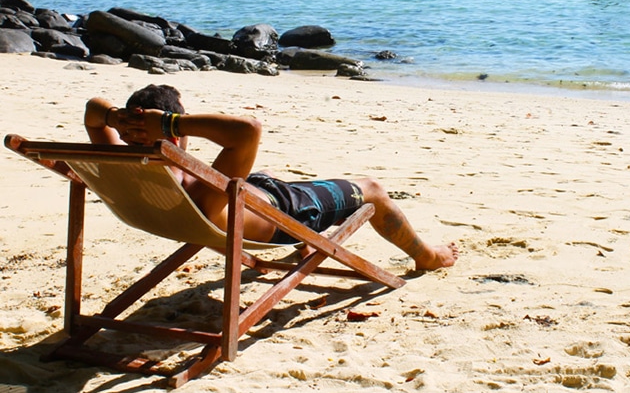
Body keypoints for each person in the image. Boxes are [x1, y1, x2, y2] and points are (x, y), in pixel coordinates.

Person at [84, 84, 458, 271]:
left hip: (255, 196)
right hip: (289, 215)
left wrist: (120, 120)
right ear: (177, 135)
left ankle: (307, 245)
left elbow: (93, 111)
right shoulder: (196, 188)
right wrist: (169, 122)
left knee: (265, 176)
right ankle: (428, 256)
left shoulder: (120, 163)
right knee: (373, 189)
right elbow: (248, 130)